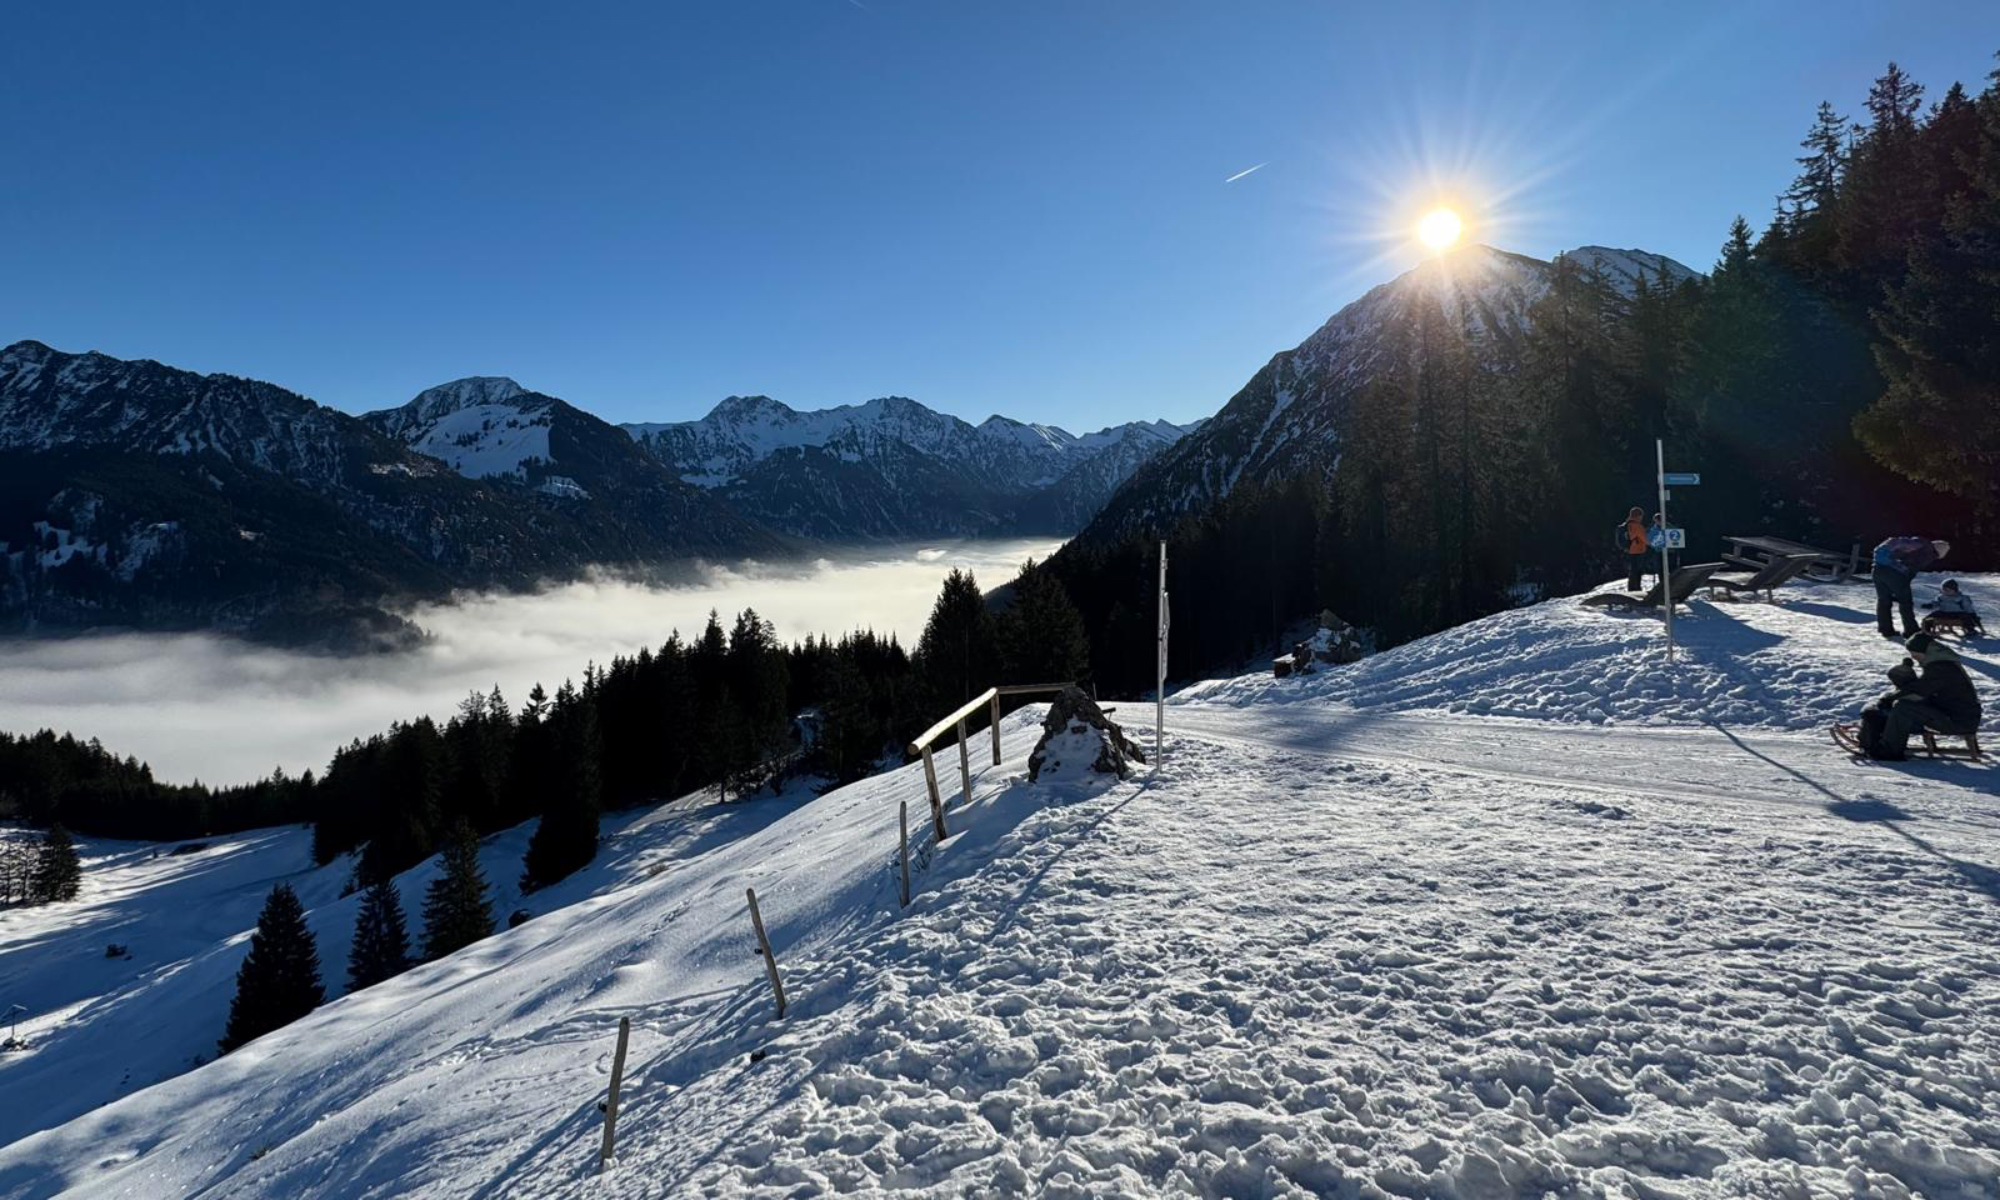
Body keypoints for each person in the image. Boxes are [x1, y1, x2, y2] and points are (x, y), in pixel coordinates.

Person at [1856, 632, 1982, 761]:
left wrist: (1890, 699)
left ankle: (1890, 751)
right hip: (1961, 715)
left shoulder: (1940, 668)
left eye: (1913, 653)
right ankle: (1887, 739)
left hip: (1958, 721)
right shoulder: (1942, 664)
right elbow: (1923, 688)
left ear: (1923, 651)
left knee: (1903, 708)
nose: (1913, 657)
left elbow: (1919, 690)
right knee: (1908, 705)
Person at [1870, 536, 1950, 640]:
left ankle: (1886, 629)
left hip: (1877, 569)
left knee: (1884, 600)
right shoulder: (1926, 549)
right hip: (1894, 572)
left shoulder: (1920, 545)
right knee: (1905, 602)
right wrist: (1903, 581)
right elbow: (1911, 569)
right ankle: (1911, 630)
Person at [1616, 506, 1648, 591]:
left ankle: (1631, 587)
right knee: (1637, 571)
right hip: (1638, 550)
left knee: (1632, 570)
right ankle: (1636, 588)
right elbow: (1645, 539)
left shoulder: (1626, 525)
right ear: (1638, 516)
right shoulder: (1637, 526)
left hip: (1628, 550)